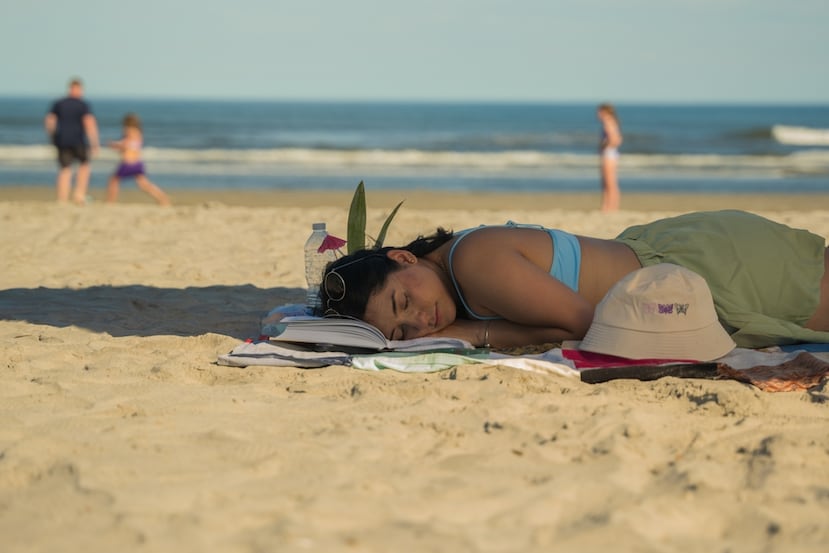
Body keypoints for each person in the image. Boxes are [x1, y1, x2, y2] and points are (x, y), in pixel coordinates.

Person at [318, 210, 829, 350]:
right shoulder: (453, 270)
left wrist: (473, 334)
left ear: (403, 258)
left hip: (714, 270)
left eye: (403, 301)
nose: (419, 321)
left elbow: (590, 324)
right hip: (676, 263)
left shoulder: (473, 264)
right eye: (402, 331)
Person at [44, 78, 100, 204]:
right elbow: (89, 123)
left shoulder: (59, 103)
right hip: (78, 140)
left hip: (62, 140)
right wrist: (94, 143)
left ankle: (62, 198)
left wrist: (52, 136)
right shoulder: (82, 105)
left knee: (65, 169)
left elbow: (50, 120)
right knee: (84, 166)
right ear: (79, 89)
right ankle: (79, 195)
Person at [106, 113, 171, 206]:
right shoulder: (139, 133)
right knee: (144, 184)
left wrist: (115, 144)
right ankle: (162, 198)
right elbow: (133, 146)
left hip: (128, 163)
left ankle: (110, 201)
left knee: (114, 181)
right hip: (137, 162)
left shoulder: (130, 131)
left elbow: (126, 144)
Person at [597, 103, 622, 212]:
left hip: (609, 154)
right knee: (609, 182)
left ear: (604, 112)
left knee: (609, 182)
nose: (598, 114)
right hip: (611, 154)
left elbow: (616, 140)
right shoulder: (612, 121)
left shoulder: (608, 122)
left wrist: (604, 146)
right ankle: (609, 206)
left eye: (599, 112)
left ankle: (610, 207)